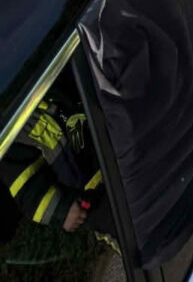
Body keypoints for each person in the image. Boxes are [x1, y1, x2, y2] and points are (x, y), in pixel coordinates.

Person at [0, 94, 114, 236]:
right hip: (92, 194)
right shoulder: (5, 131)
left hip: (117, 142)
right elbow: (24, 184)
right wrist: (62, 210)